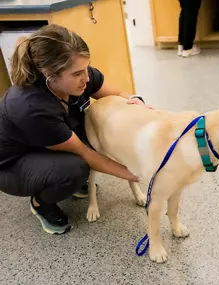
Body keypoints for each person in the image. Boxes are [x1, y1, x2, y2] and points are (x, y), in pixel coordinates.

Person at [0, 24, 148, 235]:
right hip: (12, 164)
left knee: (89, 130)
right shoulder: (32, 107)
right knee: (75, 169)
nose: (86, 78)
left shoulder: (76, 77)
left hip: (46, 140)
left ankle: (63, 178)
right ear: (49, 74)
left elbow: (116, 95)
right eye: (78, 73)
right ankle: (41, 203)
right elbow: (85, 153)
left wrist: (138, 102)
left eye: (86, 68)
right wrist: (136, 174)